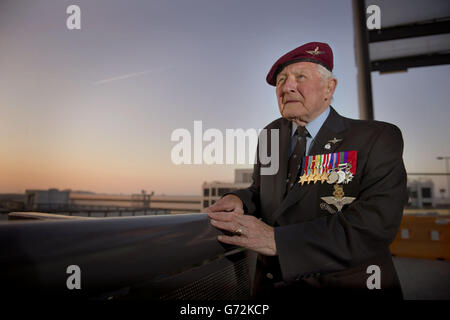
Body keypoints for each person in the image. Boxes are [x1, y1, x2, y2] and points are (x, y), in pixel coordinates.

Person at [205, 41, 407, 299]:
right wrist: (239, 199)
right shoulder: (271, 135)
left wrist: (278, 241)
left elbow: (375, 224)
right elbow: (261, 191)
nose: (287, 86)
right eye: (281, 80)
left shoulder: (376, 138)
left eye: (300, 77)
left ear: (329, 87)